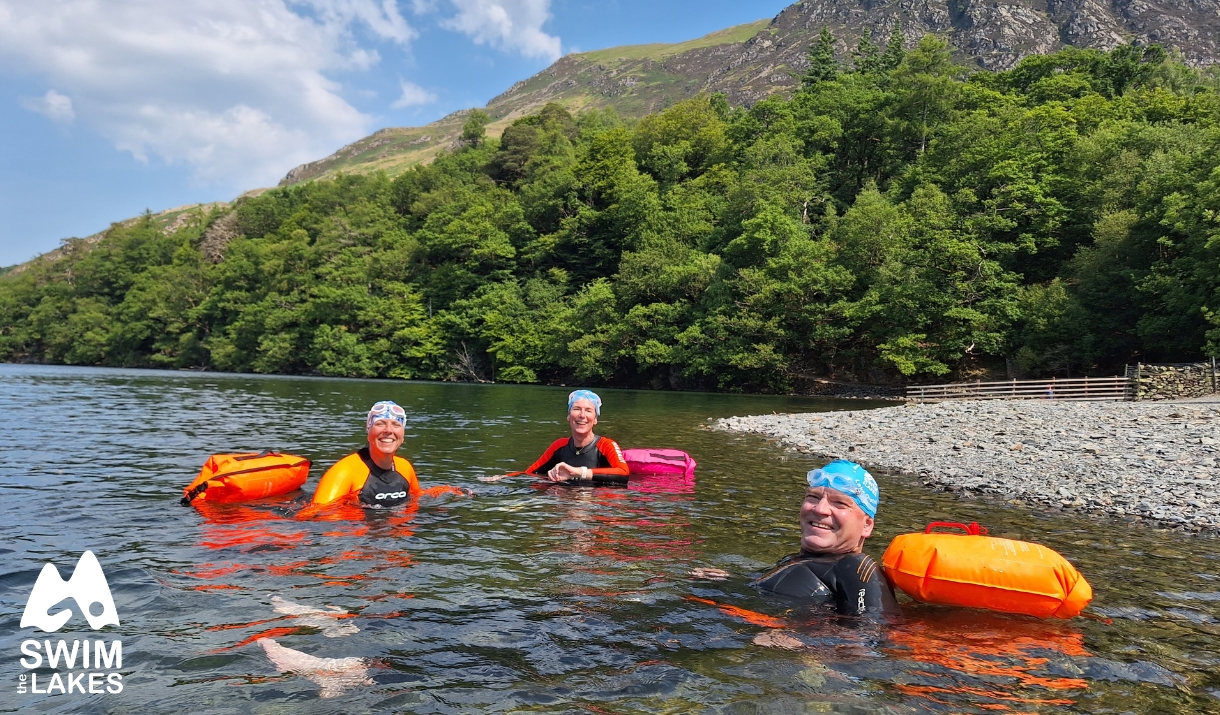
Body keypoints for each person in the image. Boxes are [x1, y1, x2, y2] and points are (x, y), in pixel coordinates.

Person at [751, 460, 899, 616]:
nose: (820, 509)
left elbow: (873, 632)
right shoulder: (795, 560)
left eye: (839, 503)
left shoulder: (857, 569)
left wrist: (800, 636)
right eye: (813, 497)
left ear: (866, 526)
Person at [311, 400, 469, 507]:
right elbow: (318, 516)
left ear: (402, 435)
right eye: (380, 424)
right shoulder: (344, 471)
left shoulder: (404, 467)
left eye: (396, 425)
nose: (388, 431)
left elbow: (416, 497)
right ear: (369, 432)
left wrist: (447, 491)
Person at [525, 390, 630, 483]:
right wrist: (508, 479)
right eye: (577, 409)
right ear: (568, 416)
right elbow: (528, 474)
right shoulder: (559, 445)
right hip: (565, 501)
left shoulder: (606, 445)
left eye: (588, 410)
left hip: (596, 502)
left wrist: (578, 472)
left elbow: (624, 473)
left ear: (595, 420)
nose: (582, 415)